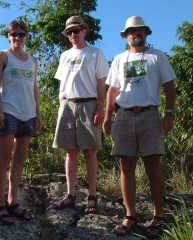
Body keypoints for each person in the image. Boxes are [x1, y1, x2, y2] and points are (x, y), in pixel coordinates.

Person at [103, 16, 177, 236]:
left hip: (150, 115)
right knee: (126, 167)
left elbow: (170, 86)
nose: (136, 34)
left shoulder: (157, 57)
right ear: (126, 36)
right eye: (131, 31)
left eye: (140, 30)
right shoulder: (119, 59)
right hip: (124, 116)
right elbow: (112, 91)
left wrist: (169, 114)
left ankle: (159, 216)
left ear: (146, 33)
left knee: (153, 166)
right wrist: (107, 117)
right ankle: (130, 216)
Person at [52, 16, 109, 214]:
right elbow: (62, 83)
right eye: (70, 32)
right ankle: (70, 194)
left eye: (76, 30)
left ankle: (92, 196)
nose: (73, 34)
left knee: (90, 151)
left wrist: (101, 108)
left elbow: (102, 83)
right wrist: (61, 105)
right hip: (67, 105)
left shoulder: (95, 53)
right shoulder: (65, 55)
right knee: (70, 151)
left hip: (89, 104)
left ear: (84, 30)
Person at [0, 19, 43, 225]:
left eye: (21, 34)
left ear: (26, 36)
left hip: (28, 114)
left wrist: (38, 114)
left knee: (20, 159)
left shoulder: (32, 61)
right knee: (4, 158)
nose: (18, 38)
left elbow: (34, 89)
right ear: (9, 36)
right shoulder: (3, 56)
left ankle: (13, 200)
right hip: (9, 111)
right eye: (14, 34)